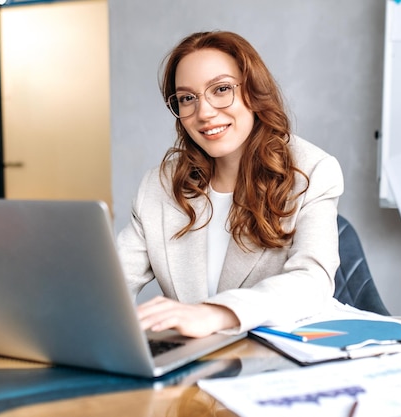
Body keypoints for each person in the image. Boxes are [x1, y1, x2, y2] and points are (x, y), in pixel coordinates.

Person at [117, 31, 344, 338]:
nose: (205, 112)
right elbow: (110, 284)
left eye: (221, 89)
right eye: (187, 98)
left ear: (253, 91)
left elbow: (312, 282)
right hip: (192, 368)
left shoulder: (313, 170)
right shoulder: (159, 185)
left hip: (268, 367)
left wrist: (216, 314)